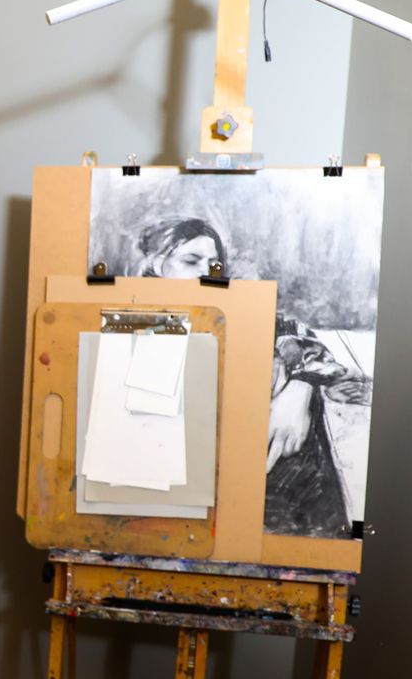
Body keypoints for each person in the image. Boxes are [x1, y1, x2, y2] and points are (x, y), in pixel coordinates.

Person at [133, 216, 361, 538]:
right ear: (157, 267)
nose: (206, 270)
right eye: (190, 261)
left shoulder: (236, 312)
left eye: (213, 263)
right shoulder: (139, 324)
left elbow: (302, 339)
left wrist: (301, 387)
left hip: (267, 501)